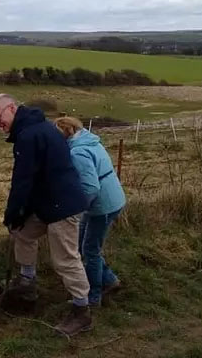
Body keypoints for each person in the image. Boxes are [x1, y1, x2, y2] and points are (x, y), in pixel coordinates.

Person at [0, 94, 92, 336]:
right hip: (47, 203)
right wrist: (18, 217)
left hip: (63, 207)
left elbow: (22, 182)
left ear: (11, 108)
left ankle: (81, 311)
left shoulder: (28, 135)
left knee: (65, 259)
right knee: (22, 230)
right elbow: (35, 177)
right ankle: (27, 283)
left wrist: (12, 212)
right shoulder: (36, 128)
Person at [54, 117, 125, 307]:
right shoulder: (89, 140)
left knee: (90, 250)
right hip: (112, 197)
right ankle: (110, 280)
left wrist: (76, 209)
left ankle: (94, 296)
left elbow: (91, 186)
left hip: (102, 205)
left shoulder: (77, 152)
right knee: (81, 244)